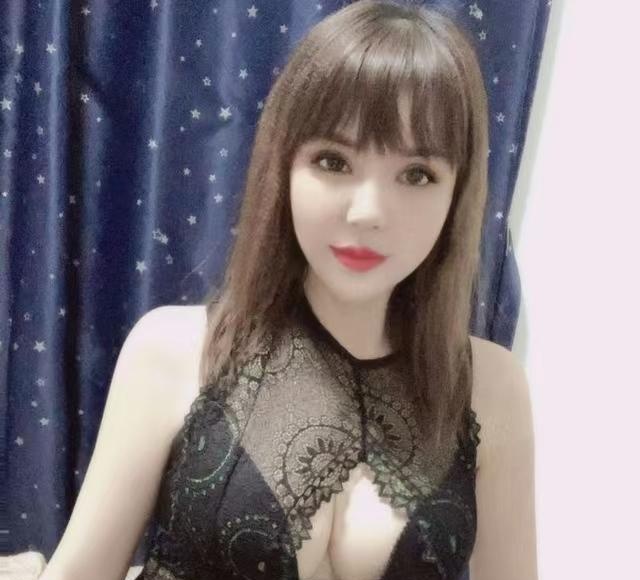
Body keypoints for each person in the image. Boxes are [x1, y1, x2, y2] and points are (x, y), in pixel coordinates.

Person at [39, 1, 537, 579]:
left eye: (417, 174)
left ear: (457, 194)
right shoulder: (173, 350)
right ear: (285, 168)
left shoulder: (490, 387)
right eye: (334, 161)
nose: (368, 211)